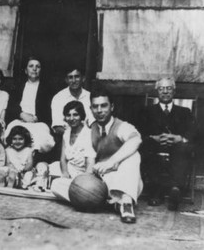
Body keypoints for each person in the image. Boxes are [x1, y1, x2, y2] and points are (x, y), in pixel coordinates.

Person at [52, 88, 143, 224]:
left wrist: (112, 161)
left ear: (112, 107)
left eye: (104, 105)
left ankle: (126, 203)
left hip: (124, 180)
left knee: (134, 155)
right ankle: (106, 202)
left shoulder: (122, 126)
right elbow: (88, 159)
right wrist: (84, 181)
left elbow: (136, 139)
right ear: (91, 109)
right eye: (95, 106)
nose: (99, 110)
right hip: (101, 182)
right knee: (57, 184)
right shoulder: (90, 128)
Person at [139, 77, 196, 211]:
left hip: (176, 148)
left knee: (183, 148)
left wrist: (179, 138)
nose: (165, 92)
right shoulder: (147, 111)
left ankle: (174, 190)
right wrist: (153, 137)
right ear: (157, 91)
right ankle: (155, 191)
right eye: (161, 89)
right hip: (154, 146)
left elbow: (193, 132)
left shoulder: (184, 112)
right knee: (147, 148)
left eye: (168, 88)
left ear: (174, 91)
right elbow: (139, 132)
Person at [5, 57, 55, 157]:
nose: (34, 69)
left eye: (38, 66)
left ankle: (34, 161)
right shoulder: (18, 86)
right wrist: (21, 114)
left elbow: (49, 109)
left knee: (44, 142)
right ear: (26, 70)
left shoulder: (47, 88)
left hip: (38, 123)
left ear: (41, 70)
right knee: (9, 137)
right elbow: (11, 105)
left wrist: (37, 117)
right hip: (20, 121)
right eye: (31, 66)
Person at [49, 101, 96, 178]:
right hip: (70, 169)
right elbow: (63, 159)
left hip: (84, 173)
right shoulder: (66, 133)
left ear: (81, 116)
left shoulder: (88, 134)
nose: (71, 118)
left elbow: (89, 165)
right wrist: (65, 174)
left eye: (75, 115)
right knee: (47, 168)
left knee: (56, 184)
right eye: (68, 115)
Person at [50, 68, 94, 136]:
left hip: (88, 136)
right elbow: (57, 126)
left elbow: (94, 123)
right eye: (70, 77)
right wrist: (72, 136)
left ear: (83, 78)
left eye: (77, 77)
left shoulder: (90, 97)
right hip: (66, 137)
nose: (73, 81)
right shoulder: (58, 98)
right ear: (66, 80)